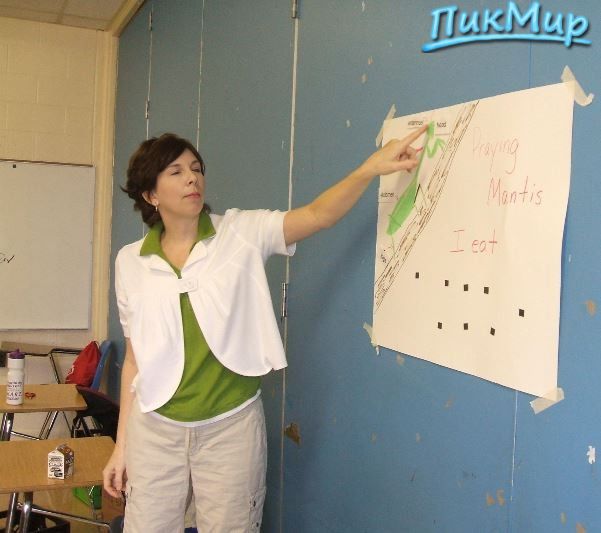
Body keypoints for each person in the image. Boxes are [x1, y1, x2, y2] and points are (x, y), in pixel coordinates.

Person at [102, 125, 427, 533]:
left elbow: (318, 215)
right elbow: (135, 361)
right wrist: (122, 446)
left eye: (197, 169)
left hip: (229, 429)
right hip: (155, 430)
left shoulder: (240, 232)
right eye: (176, 171)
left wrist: (369, 169)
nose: (192, 179)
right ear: (150, 195)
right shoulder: (130, 261)